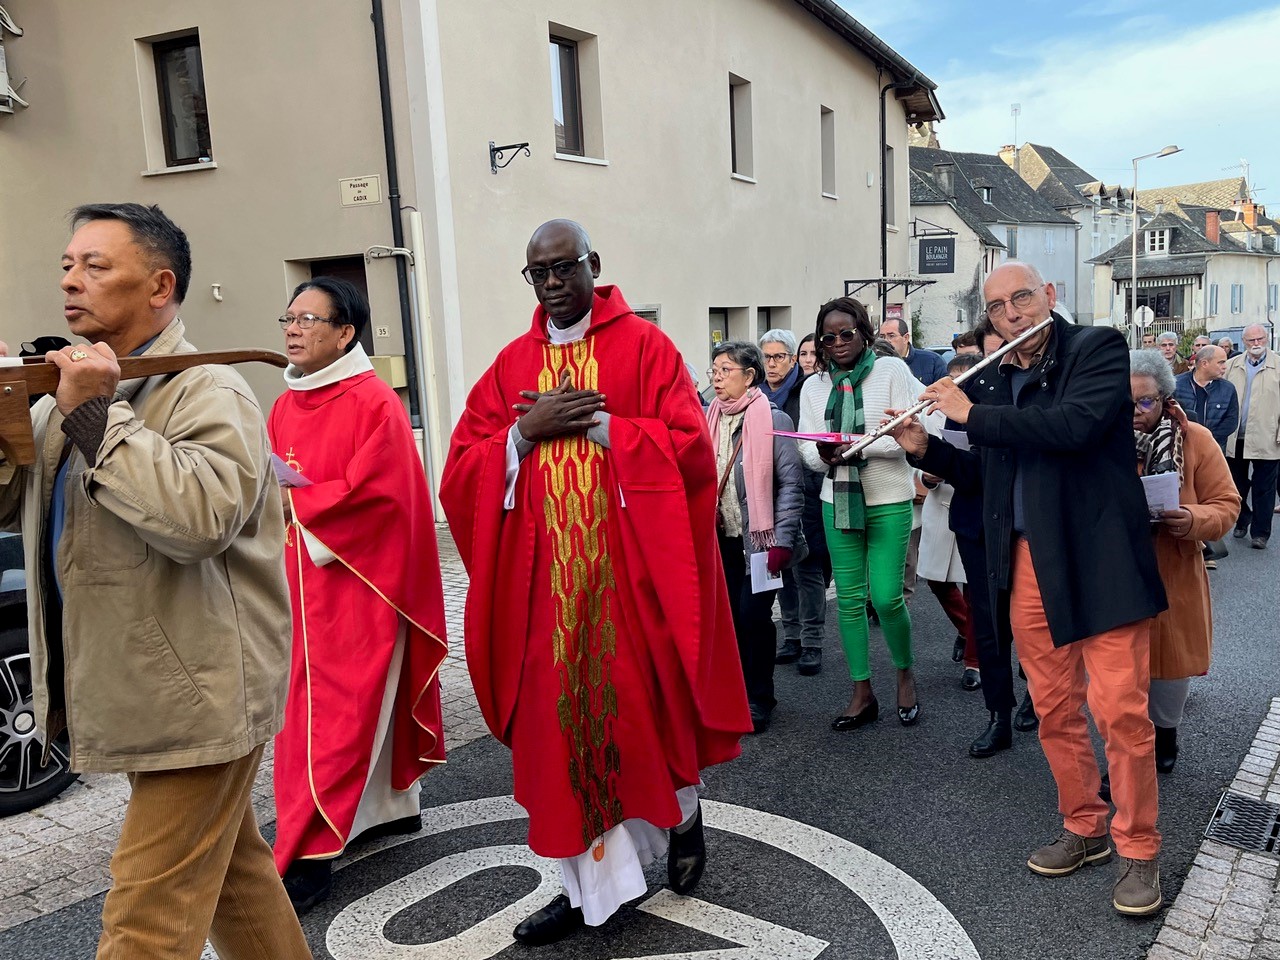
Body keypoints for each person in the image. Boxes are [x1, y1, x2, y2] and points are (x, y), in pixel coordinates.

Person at [0, 203, 310, 958]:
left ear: (159, 285)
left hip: (201, 698)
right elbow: (12, 503)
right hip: (152, 690)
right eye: (68, 265)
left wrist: (99, 417)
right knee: (237, 883)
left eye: (96, 266)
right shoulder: (62, 397)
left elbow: (199, 518)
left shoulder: (209, 392)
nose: (71, 282)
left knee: (143, 926)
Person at [440, 220, 750, 945]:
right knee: (560, 745)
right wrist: (522, 435)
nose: (551, 283)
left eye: (562, 267)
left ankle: (684, 820)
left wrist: (610, 427)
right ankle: (587, 891)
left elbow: (690, 454)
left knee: (648, 722)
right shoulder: (512, 363)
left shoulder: (645, 348)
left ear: (592, 266)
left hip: (626, 587)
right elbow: (460, 469)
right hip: (544, 596)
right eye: (538, 272)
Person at [893, 261, 1167, 917]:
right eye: (998, 307)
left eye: (1022, 298)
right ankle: (1084, 826)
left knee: (1122, 715)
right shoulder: (996, 376)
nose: (1012, 314)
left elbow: (1071, 428)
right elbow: (988, 472)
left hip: (1097, 561)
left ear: (1049, 296)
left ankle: (1140, 851)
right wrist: (924, 448)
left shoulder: (1094, 350)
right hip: (1026, 563)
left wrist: (971, 411)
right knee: (1052, 708)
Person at [269, 277, 448, 912]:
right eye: (288, 317)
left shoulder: (375, 402)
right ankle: (386, 811)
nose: (292, 329)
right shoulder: (285, 403)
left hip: (364, 581)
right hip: (302, 577)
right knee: (313, 716)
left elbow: (385, 494)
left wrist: (299, 501)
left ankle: (314, 847)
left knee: (341, 718)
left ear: (345, 333)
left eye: (308, 320)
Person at [798, 298, 920, 730]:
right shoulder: (814, 388)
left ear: (864, 332)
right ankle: (862, 690)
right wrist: (824, 453)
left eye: (846, 333)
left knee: (886, 597)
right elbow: (807, 452)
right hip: (839, 500)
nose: (837, 343)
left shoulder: (891, 372)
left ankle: (904, 673)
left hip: (888, 498)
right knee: (848, 601)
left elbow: (909, 435)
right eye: (828, 337)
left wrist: (853, 444)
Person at [1129, 350, 1238, 773]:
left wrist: (1192, 517)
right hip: (1119, 566)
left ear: (1164, 398)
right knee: (1122, 668)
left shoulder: (1195, 438)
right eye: (1126, 403)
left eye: (1145, 401)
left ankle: (1166, 732)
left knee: (1169, 665)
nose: (1135, 412)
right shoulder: (1099, 439)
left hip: (1173, 564)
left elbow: (1227, 505)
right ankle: (1128, 750)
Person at [707, 341, 805, 730]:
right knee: (728, 619)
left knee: (753, 616)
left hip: (760, 540)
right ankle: (733, 695)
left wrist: (782, 540)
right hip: (720, 537)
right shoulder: (709, 416)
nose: (716, 376)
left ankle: (759, 697)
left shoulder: (773, 419)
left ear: (750, 376)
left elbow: (791, 485)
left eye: (726, 369)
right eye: (714, 368)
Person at [760, 331, 827, 675]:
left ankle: (813, 641)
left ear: (791, 359)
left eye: (779, 357)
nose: (771, 364)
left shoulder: (806, 392)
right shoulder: (757, 395)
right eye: (767, 357)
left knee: (809, 568)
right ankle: (793, 636)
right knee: (781, 565)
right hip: (768, 492)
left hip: (806, 488)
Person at [1224, 324, 1280, 549]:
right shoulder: (1230, 366)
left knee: (1264, 488)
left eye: (1260, 339)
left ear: (1266, 339)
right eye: (1251, 340)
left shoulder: (1278, 366)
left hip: (1267, 435)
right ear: (1244, 342)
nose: (1256, 344)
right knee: (1234, 485)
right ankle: (1242, 516)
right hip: (1234, 436)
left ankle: (1260, 533)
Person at [1174, 345, 1238, 452]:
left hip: (1213, 449)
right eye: (1221, 362)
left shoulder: (1228, 389)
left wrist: (1207, 438)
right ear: (1204, 363)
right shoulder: (1176, 385)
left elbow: (1231, 421)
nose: (1225, 367)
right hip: (1182, 448)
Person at [879, 317, 947, 384]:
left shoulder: (933, 361)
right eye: (882, 337)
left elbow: (945, 391)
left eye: (891, 336)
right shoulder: (876, 363)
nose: (886, 341)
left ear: (905, 338)